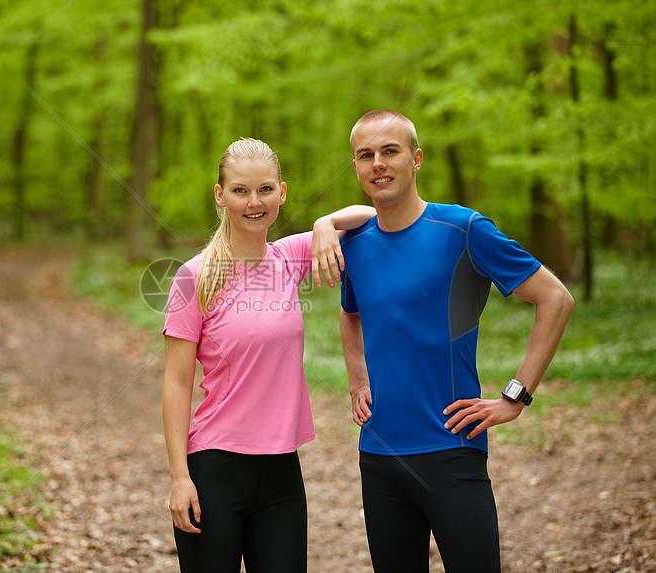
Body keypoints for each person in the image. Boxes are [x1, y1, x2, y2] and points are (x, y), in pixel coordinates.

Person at [336, 110, 575, 572]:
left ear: (416, 158)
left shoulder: (464, 229)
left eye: (390, 151)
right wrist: (356, 377)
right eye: (366, 155)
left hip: (452, 450)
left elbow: (555, 299)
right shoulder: (355, 243)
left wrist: (516, 396)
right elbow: (351, 315)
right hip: (380, 457)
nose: (378, 164)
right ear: (356, 168)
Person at [161, 137, 375, 573]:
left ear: (282, 192)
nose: (253, 202)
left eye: (265, 189)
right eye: (240, 190)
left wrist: (321, 224)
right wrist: (180, 478)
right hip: (214, 468)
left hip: (281, 474)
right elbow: (176, 382)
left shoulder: (290, 257)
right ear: (220, 196)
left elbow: (369, 215)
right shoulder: (194, 276)